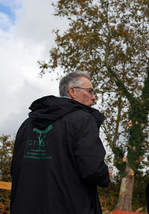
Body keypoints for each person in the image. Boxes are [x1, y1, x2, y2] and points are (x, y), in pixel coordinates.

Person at [10, 71, 112, 214]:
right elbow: (92, 170)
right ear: (72, 91)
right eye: (90, 91)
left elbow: (16, 168)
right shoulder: (83, 120)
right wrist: (105, 175)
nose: (94, 97)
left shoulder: (27, 124)